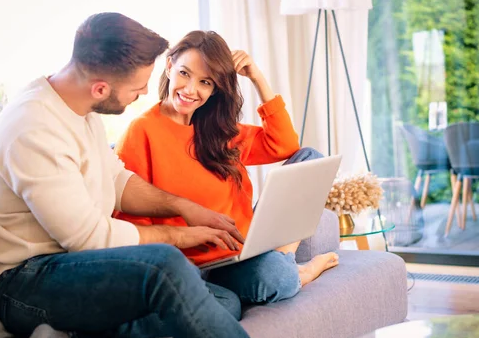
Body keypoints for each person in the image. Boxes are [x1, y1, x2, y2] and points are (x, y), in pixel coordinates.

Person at [0, 13, 256, 338]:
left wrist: (184, 207)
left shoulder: (78, 107)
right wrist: (179, 235)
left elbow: (116, 180)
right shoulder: (34, 130)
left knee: (223, 303)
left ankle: (68, 337)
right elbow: (90, 238)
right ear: (101, 88)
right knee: (167, 266)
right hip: (27, 283)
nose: (143, 94)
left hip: (74, 266)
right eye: (137, 88)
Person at [114, 30, 339, 306]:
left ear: (215, 88)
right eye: (184, 73)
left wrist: (257, 77)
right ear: (170, 66)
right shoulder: (142, 131)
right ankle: (297, 270)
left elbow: (285, 145)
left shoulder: (216, 129)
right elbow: (131, 220)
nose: (190, 90)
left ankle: (284, 256)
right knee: (275, 277)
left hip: (245, 248)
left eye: (205, 82)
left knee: (311, 157)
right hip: (201, 266)